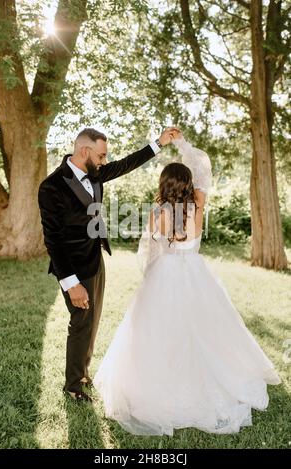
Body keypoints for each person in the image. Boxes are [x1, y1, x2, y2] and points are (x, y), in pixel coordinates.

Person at [94, 134, 281, 435]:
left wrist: (150, 277)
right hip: (195, 273)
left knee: (160, 332)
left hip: (165, 274)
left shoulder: (158, 214)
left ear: (164, 185)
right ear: (188, 184)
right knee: (205, 327)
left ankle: (162, 383)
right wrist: (184, 146)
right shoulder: (199, 203)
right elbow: (203, 168)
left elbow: (150, 251)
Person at [38, 126, 179, 402]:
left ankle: (82, 372)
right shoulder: (51, 187)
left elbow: (126, 164)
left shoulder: (95, 172)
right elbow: (53, 239)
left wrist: (158, 143)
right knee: (81, 322)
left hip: (95, 259)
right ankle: (72, 386)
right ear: (84, 151)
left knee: (92, 320)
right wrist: (71, 283)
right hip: (73, 267)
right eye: (101, 156)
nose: (104, 162)